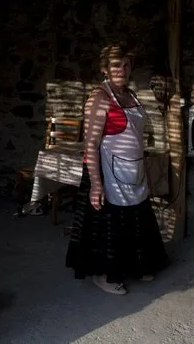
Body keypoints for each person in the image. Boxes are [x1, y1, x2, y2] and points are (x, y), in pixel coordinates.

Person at [65, 43, 169, 295]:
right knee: (107, 225)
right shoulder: (99, 98)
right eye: (115, 65)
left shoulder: (130, 95)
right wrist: (97, 185)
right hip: (107, 171)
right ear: (104, 69)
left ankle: (134, 266)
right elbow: (91, 142)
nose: (121, 69)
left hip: (132, 169)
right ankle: (103, 275)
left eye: (126, 65)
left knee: (134, 220)